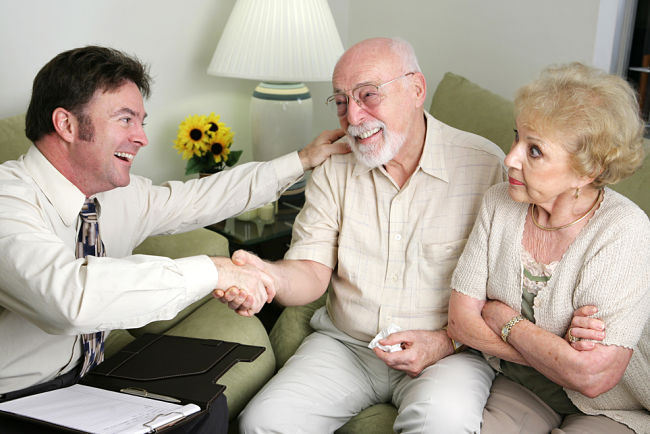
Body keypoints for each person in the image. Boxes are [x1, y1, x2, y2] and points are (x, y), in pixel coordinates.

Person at [0, 46, 347, 433]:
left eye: (141, 122)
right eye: (126, 119)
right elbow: (69, 298)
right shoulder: (7, 201)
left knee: (203, 408)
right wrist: (213, 271)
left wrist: (301, 160)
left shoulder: (112, 197)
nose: (142, 138)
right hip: (18, 396)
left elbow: (199, 198)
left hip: (86, 378)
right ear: (66, 124)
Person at [221, 37, 507, 433]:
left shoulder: (486, 167)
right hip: (346, 346)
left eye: (368, 95)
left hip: (449, 353)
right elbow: (310, 269)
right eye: (341, 101)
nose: (354, 116)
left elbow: (506, 296)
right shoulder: (334, 165)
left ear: (416, 89)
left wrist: (446, 342)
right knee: (263, 423)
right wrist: (269, 276)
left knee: (442, 423)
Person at [447, 62, 649, 434]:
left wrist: (503, 320)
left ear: (586, 171)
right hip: (521, 389)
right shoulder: (499, 202)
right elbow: (461, 322)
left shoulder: (624, 229)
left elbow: (592, 377)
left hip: (610, 407)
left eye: (534, 150)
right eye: (516, 138)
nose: (510, 158)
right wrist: (558, 354)